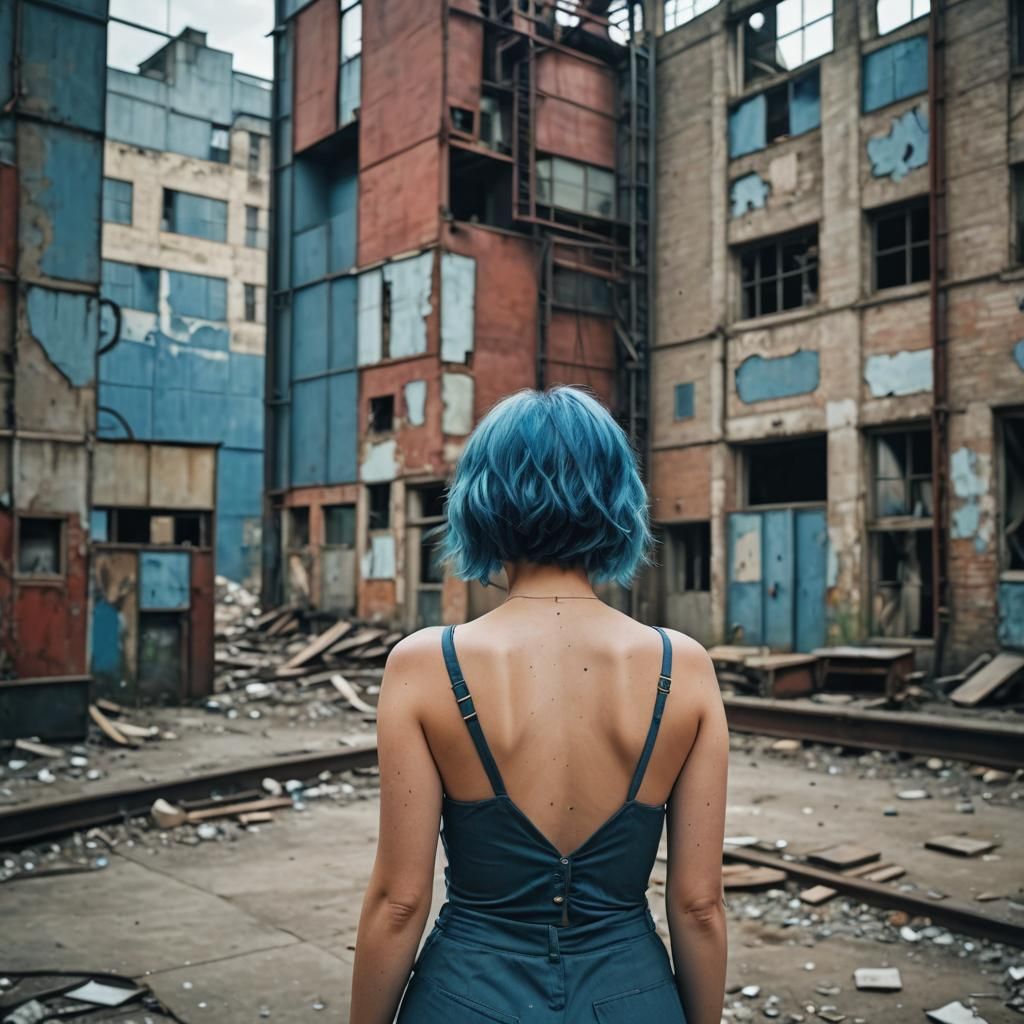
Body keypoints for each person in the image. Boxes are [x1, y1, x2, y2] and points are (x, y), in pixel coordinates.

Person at [349, 385, 728, 1024]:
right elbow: (697, 906)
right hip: (632, 997)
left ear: (481, 501)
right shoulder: (682, 666)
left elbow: (398, 901)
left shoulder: (424, 664)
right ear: (618, 501)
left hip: (466, 997)